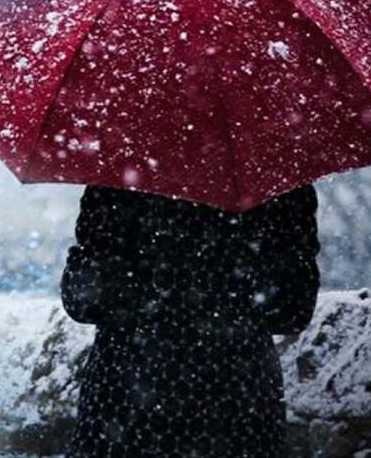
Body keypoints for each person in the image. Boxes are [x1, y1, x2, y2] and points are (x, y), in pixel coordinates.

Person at [61, 184, 320, 458]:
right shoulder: (274, 177)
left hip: (125, 401)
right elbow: (292, 311)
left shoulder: (119, 176)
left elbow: (83, 302)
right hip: (238, 404)